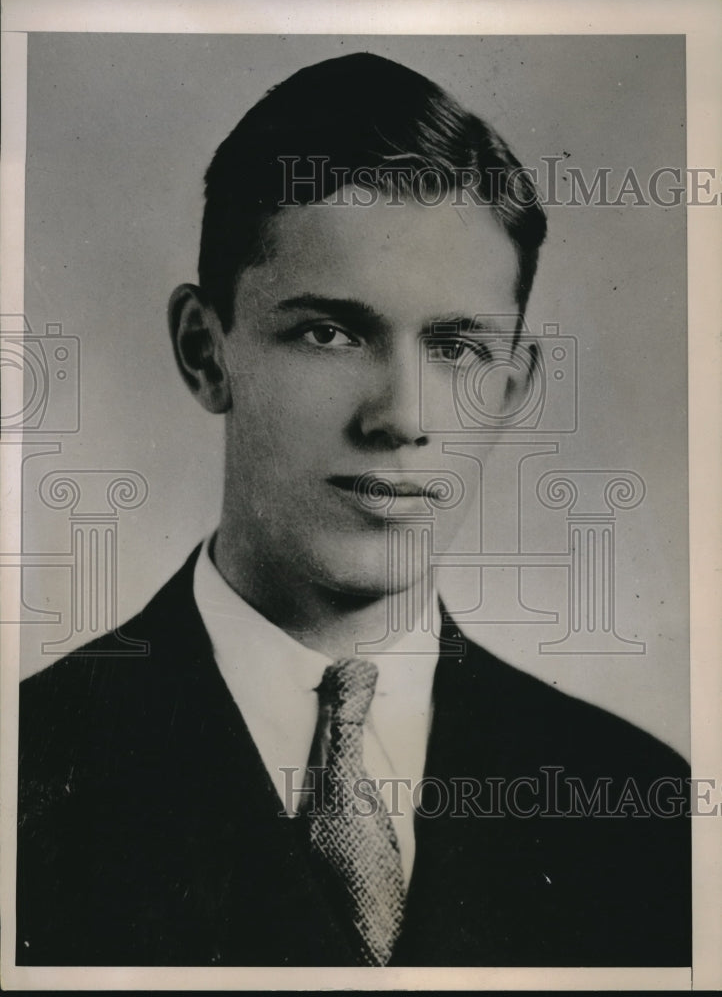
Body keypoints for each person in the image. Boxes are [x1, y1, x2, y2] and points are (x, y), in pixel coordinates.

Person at [16, 52, 690, 968]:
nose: (401, 419)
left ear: (512, 387)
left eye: (456, 348)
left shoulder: (640, 807)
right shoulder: (28, 774)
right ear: (205, 353)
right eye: (329, 332)